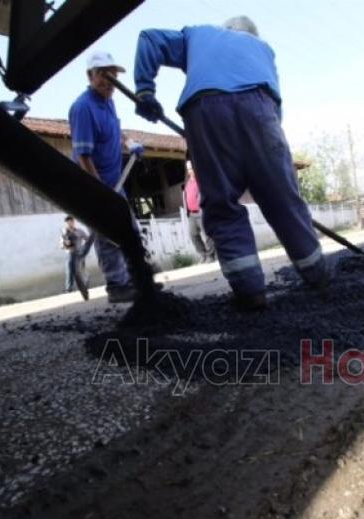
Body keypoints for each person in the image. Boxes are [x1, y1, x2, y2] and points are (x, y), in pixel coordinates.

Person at [133, 16, 329, 310]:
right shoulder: (263, 49)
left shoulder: (199, 35)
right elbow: (275, 110)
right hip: (260, 109)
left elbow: (150, 39)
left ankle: (250, 292)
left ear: (225, 30)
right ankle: (318, 275)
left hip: (204, 108)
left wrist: (145, 90)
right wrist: (262, 164)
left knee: (221, 205)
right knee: (283, 199)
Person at [68, 50, 145, 304]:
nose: (109, 80)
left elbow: (115, 131)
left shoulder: (109, 101)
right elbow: (83, 155)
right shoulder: (83, 108)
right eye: (103, 74)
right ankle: (117, 286)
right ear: (90, 76)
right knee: (108, 234)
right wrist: (100, 192)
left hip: (115, 183)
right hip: (93, 184)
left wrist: (129, 142)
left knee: (130, 230)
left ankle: (140, 279)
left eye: (113, 74)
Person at [183, 161, 216, 263]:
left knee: (207, 235)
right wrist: (187, 211)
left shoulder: (201, 180)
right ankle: (203, 254)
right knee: (193, 235)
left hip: (201, 212)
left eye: (191, 168)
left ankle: (211, 256)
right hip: (191, 214)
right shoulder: (187, 183)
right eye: (188, 169)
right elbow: (185, 197)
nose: (190, 171)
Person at [60, 216, 89, 293]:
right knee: (69, 271)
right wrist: (66, 244)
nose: (69, 223)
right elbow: (61, 246)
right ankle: (69, 289)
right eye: (67, 222)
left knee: (81, 270)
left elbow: (88, 239)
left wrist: (83, 248)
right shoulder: (64, 233)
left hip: (79, 253)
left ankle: (84, 285)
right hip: (70, 254)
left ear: (73, 222)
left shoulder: (79, 231)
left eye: (70, 221)